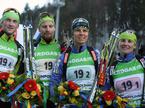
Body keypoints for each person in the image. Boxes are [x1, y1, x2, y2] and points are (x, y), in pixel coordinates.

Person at [50, 18, 100, 107]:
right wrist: (57, 101)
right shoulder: (64, 57)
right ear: (73, 32)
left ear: (88, 33)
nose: (81, 33)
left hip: (92, 103)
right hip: (71, 104)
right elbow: (54, 82)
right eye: (78, 30)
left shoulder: (95, 54)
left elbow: (103, 80)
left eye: (85, 30)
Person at [107, 30, 145, 107]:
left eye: (129, 41)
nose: (126, 44)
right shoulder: (112, 68)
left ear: (134, 45)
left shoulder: (142, 61)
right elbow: (108, 90)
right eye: (123, 40)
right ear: (118, 43)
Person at [33, 12, 62, 107]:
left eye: (50, 26)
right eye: (44, 26)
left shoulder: (60, 48)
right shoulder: (33, 48)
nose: (48, 29)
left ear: (54, 28)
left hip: (56, 97)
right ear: (39, 29)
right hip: (38, 96)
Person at [0, 8, 24, 107]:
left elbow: (18, 75)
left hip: (5, 96)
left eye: (14, 21)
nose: (11, 24)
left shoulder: (19, 49)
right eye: (8, 20)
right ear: (2, 22)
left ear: (17, 26)